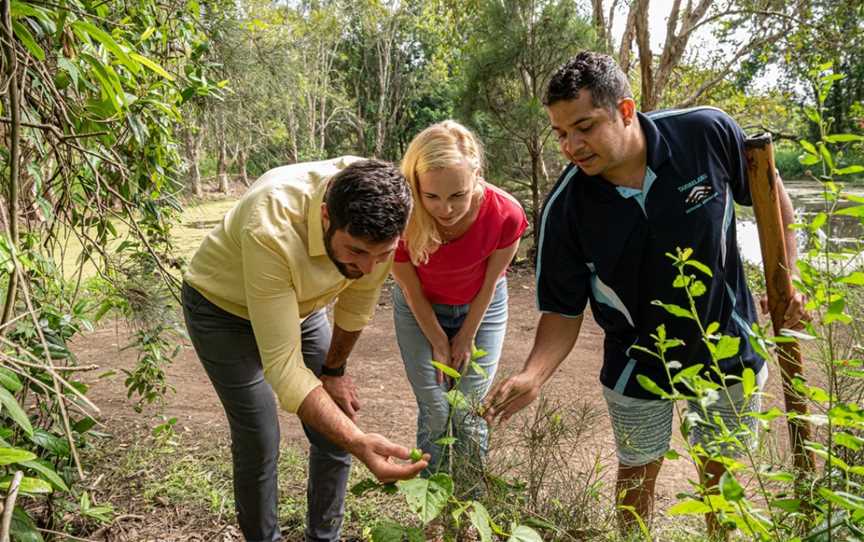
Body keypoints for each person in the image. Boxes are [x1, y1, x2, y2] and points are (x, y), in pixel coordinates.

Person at [482, 52, 806, 537]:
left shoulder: (706, 133)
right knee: (636, 477)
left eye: (584, 127)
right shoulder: (566, 208)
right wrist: (533, 374)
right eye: (561, 133)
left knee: (722, 481)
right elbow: (562, 313)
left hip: (729, 346)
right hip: (637, 361)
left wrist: (788, 276)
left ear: (626, 110)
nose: (572, 145)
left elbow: (768, 193)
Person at [182, 157, 428, 542]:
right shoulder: (272, 222)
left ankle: (323, 537)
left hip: (301, 304)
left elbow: (358, 301)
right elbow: (284, 367)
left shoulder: (381, 207)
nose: (367, 267)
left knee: (336, 423)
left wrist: (334, 371)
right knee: (260, 436)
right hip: (222, 311)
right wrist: (360, 443)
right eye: (356, 251)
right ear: (327, 215)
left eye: (381, 255)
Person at [392, 121, 528, 480]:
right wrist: (438, 339)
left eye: (457, 196)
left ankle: (469, 507)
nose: (445, 209)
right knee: (436, 408)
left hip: (481, 305)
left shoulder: (506, 214)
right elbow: (409, 288)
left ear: (477, 177)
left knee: (467, 411)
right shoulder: (400, 216)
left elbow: (490, 283)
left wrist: (466, 334)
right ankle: (432, 509)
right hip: (419, 306)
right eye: (431, 197)